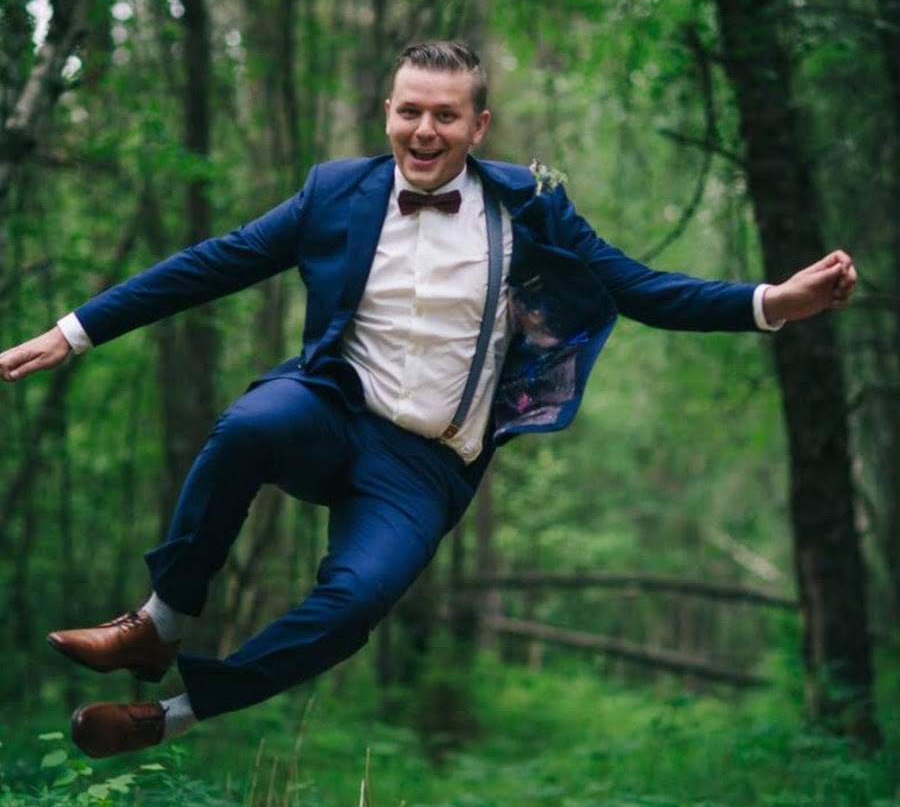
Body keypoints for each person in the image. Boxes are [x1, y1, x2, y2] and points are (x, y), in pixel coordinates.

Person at [0, 41, 857, 759]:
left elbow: (639, 287)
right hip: (331, 409)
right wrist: (75, 331)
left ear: (478, 127)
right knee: (250, 424)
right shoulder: (336, 192)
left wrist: (772, 303)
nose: (424, 130)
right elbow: (213, 263)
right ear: (387, 113)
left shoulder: (530, 207)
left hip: (425, 465)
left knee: (352, 608)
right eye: (410, 111)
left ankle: (173, 715)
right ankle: (160, 622)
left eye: (446, 115)